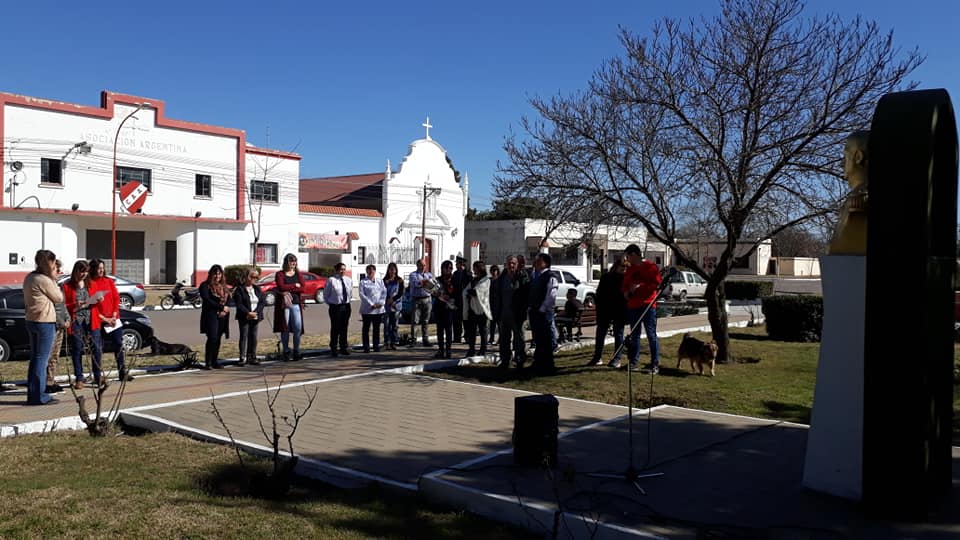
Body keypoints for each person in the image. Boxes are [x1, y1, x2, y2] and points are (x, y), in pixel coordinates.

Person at [23, 249, 63, 405]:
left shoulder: (29, 277)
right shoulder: (44, 280)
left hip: (31, 320)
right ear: (49, 263)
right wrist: (53, 278)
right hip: (44, 321)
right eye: (53, 262)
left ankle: (33, 394)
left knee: (35, 359)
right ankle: (39, 396)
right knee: (42, 360)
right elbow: (59, 297)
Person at [88, 258, 133, 381]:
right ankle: (98, 376)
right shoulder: (89, 283)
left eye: (102, 268)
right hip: (98, 320)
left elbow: (116, 298)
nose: (100, 271)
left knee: (118, 344)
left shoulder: (108, 281)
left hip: (113, 319)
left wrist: (113, 315)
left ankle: (122, 372)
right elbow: (91, 305)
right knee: (97, 348)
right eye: (98, 268)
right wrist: (104, 319)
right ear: (92, 269)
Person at [621, 244, 662, 373]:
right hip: (633, 305)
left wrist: (640, 287)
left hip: (647, 304)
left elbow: (656, 284)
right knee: (635, 335)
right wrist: (626, 292)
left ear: (634, 255)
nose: (627, 259)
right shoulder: (630, 269)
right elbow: (625, 285)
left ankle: (654, 364)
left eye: (628, 256)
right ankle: (634, 362)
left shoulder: (650, 267)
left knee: (651, 334)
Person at [829, 130, 869, 255]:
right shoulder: (856, 198)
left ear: (858, 157)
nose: (842, 164)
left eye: (846, 157)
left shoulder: (860, 201)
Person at [61, 260, 99, 388]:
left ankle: (98, 376)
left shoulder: (91, 284)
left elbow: (96, 300)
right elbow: (63, 305)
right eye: (82, 271)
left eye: (86, 272)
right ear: (76, 271)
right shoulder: (67, 286)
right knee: (77, 348)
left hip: (91, 319)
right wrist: (75, 305)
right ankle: (79, 377)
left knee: (96, 348)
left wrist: (98, 299)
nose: (84, 274)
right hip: (76, 320)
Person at [587, 258, 628, 367]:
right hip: (605, 309)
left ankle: (617, 359)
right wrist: (599, 306)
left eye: (626, 267)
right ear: (616, 266)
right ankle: (597, 357)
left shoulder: (626, 279)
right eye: (622, 266)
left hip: (619, 310)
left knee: (618, 333)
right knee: (600, 333)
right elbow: (599, 293)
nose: (624, 269)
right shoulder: (606, 277)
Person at [528, 253, 559, 374]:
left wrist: (542, 308)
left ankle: (548, 365)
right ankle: (538, 362)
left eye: (539, 261)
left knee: (545, 339)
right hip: (534, 311)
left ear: (545, 263)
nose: (536, 262)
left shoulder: (550, 276)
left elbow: (551, 295)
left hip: (543, 312)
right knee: (538, 338)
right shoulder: (536, 275)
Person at [273, 253, 306, 361]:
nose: (293, 263)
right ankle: (286, 350)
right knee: (285, 328)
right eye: (291, 261)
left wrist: (289, 289)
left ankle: (296, 350)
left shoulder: (298, 274)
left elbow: (303, 288)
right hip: (285, 305)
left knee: (297, 328)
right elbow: (281, 287)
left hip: (296, 304)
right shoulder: (280, 274)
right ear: (286, 262)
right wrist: (294, 286)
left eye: (295, 261)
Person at [495, 256, 525, 370]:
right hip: (504, 313)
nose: (511, 265)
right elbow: (496, 296)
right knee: (504, 339)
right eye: (509, 263)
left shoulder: (522, 277)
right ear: (505, 264)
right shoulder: (501, 279)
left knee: (519, 338)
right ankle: (505, 360)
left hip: (517, 314)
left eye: (513, 263)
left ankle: (519, 360)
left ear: (517, 265)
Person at [199, 264, 230, 369]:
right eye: (215, 274)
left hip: (222, 316)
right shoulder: (205, 285)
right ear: (211, 274)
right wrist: (221, 307)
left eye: (219, 274)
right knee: (212, 337)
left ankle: (214, 360)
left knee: (218, 339)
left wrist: (225, 309)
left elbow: (229, 299)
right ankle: (208, 362)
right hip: (211, 315)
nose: (217, 276)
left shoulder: (224, 287)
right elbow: (207, 300)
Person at [45, 259, 68, 393]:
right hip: (52, 325)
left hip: (61, 325)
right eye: (57, 270)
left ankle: (51, 380)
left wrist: (68, 318)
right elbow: (53, 308)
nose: (59, 273)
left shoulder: (57, 286)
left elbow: (62, 306)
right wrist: (61, 322)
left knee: (55, 355)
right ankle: (47, 382)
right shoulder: (48, 286)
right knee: (49, 355)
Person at [233, 268, 265, 366]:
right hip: (244, 316)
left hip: (255, 315)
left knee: (253, 336)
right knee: (244, 336)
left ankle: (252, 356)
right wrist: (248, 313)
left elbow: (262, 302)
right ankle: (242, 357)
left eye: (256, 277)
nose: (254, 279)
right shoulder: (240, 289)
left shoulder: (257, 289)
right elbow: (239, 303)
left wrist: (255, 312)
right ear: (246, 277)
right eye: (252, 277)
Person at [323, 262, 353, 357]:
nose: (342, 271)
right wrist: (332, 303)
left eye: (344, 269)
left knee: (344, 327)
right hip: (335, 307)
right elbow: (326, 295)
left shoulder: (348, 280)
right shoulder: (331, 280)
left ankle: (343, 347)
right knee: (335, 327)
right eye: (341, 269)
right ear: (336, 270)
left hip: (346, 306)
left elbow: (350, 293)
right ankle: (334, 348)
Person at [463, 260, 491, 357]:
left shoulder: (486, 280)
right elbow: (466, 291)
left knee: (483, 330)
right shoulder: (474, 280)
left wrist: (471, 292)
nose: (473, 270)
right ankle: (471, 349)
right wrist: (469, 293)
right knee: (472, 331)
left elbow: (479, 291)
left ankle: (483, 349)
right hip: (472, 309)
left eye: (475, 267)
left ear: (480, 268)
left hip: (482, 310)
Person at [432, 260, 457, 359]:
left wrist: (450, 298)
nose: (448, 270)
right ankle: (441, 350)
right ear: (442, 269)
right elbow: (433, 291)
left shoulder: (454, 279)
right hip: (439, 307)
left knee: (449, 330)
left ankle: (448, 350)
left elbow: (458, 292)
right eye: (446, 268)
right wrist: (436, 294)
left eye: (450, 268)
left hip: (449, 307)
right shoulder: (438, 279)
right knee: (439, 330)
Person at [359, 264, 386, 353]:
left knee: (376, 329)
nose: (370, 272)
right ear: (366, 271)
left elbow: (384, 293)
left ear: (375, 271)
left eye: (372, 270)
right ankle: (366, 347)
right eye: (369, 270)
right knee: (366, 329)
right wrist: (371, 304)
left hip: (378, 309)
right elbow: (362, 295)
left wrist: (381, 303)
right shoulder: (363, 282)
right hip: (367, 309)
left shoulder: (380, 281)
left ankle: (376, 346)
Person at [407, 259, 433, 347]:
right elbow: (416, 284)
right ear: (417, 266)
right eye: (421, 265)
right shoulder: (413, 275)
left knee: (425, 321)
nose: (423, 267)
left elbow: (432, 286)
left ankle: (425, 339)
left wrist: (425, 283)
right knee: (415, 321)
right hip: (417, 299)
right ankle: (413, 339)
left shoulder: (429, 274)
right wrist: (425, 283)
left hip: (427, 299)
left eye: (424, 265)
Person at [382, 262, 405, 350]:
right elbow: (383, 291)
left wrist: (393, 300)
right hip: (387, 305)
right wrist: (388, 299)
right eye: (390, 269)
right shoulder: (385, 280)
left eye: (393, 269)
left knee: (394, 325)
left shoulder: (400, 280)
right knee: (386, 325)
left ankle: (393, 342)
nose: (392, 271)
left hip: (396, 305)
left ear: (396, 270)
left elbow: (401, 292)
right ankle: (386, 342)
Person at [451, 256, 472, 343]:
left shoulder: (467, 273)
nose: (456, 265)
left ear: (461, 264)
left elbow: (469, 285)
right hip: (457, 299)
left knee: (466, 319)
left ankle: (467, 337)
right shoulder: (455, 273)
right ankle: (457, 337)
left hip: (465, 299)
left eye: (457, 263)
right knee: (456, 319)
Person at [487, 264, 500, 346]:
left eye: (495, 270)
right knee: (492, 323)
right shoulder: (489, 280)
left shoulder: (500, 280)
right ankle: (491, 338)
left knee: (499, 323)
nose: (493, 272)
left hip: (498, 304)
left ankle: (500, 338)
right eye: (492, 271)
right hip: (491, 303)